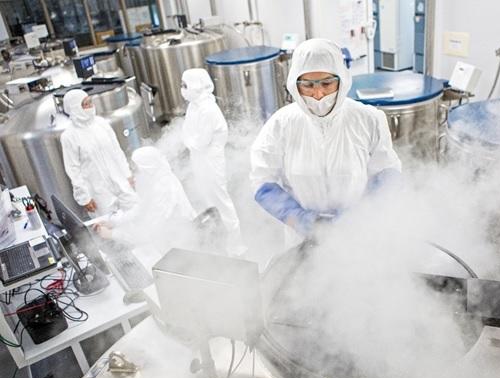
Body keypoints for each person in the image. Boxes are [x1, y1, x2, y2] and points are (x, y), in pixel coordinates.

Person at [250, 38, 402, 239]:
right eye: (308, 85)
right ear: (295, 85)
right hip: (302, 237)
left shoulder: (368, 119)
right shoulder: (281, 124)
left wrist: (357, 216)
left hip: (358, 232)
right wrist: (299, 218)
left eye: (327, 83)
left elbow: (387, 173)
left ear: (342, 80)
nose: (318, 94)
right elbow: (262, 180)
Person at [180, 68, 245, 255]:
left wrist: (188, 140)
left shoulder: (208, 109)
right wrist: (189, 140)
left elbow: (199, 142)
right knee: (208, 201)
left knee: (221, 202)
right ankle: (219, 240)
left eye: (185, 85)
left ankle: (235, 244)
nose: (182, 89)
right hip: (199, 161)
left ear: (197, 85)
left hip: (211, 162)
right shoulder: (194, 106)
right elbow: (187, 135)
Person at [94, 146, 197, 256]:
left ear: (147, 168)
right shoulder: (158, 180)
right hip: (173, 241)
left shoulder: (163, 189)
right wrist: (114, 222)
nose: (134, 175)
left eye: (136, 169)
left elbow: (149, 232)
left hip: (182, 247)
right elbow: (141, 208)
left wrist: (112, 234)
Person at [60, 89, 137, 218]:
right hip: (99, 192)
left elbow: (117, 151)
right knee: (111, 227)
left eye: (90, 102)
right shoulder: (69, 136)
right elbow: (74, 170)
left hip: (119, 181)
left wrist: (127, 174)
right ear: (74, 108)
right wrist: (84, 197)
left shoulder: (101, 123)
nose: (90, 107)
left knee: (136, 214)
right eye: (85, 104)